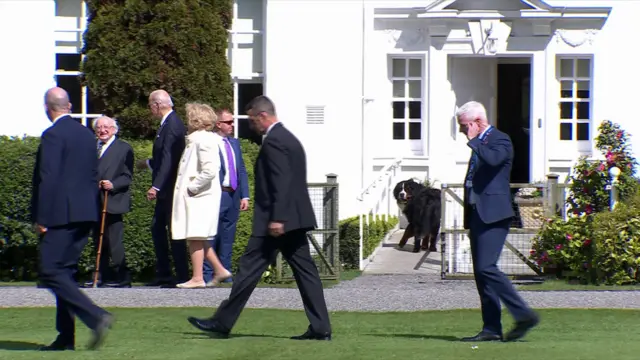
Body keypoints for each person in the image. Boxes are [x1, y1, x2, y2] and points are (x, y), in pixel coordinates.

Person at [186, 95, 332, 340]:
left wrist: (278, 218)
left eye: (252, 120)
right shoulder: (288, 138)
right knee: (306, 275)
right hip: (294, 220)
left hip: (277, 222)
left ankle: (222, 323)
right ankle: (320, 328)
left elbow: (281, 182)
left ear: (263, 116)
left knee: (248, 270)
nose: (251, 124)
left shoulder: (275, 141)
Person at [31, 87, 113, 351]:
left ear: (48, 108)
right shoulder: (86, 135)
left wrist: (42, 217)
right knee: (63, 272)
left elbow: (49, 178)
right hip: (85, 212)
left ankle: (95, 315)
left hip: (60, 214)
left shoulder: (53, 135)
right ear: (68, 106)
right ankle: (66, 337)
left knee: (50, 270)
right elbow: (91, 174)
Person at [456, 101, 539, 342]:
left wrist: (473, 141)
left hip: (494, 214)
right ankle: (491, 328)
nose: (462, 131)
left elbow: (493, 161)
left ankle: (524, 314)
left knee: (487, 268)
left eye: (464, 126)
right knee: (481, 274)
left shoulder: (500, 140)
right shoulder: (481, 144)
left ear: (477, 122)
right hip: (477, 214)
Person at [171, 102, 232, 288]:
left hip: (200, 197)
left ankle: (197, 278)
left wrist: (192, 188)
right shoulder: (198, 140)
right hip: (200, 197)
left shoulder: (202, 140)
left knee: (195, 236)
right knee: (197, 236)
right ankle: (219, 270)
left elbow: (210, 170)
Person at [136, 89, 189, 287]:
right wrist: (149, 163)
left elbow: (169, 158)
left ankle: (179, 274)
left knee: (170, 230)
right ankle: (167, 273)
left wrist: (156, 186)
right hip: (166, 188)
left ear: (157, 105)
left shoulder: (172, 124)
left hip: (170, 188)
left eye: (150, 106)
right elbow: (162, 157)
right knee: (159, 228)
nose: (150, 110)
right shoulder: (167, 124)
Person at [85, 116, 134, 288]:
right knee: (98, 241)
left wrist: (113, 184)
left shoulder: (124, 148)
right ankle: (100, 276)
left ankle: (123, 277)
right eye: (99, 127)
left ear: (114, 129)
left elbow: (127, 176)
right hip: (94, 201)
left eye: (106, 127)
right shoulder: (91, 147)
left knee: (114, 241)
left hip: (112, 200)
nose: (102, 130)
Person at [203, 109, 250, 286]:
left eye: (232, 122)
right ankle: (208, 274)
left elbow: (241, 170)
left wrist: (245, 195)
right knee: (211, 235)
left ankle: (225, 272)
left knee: (228, 236)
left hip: (233, 194)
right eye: (228, 122)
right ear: (218, 124)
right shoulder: (210, 143)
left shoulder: (234, 143)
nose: (232, 125)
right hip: (217, 193)